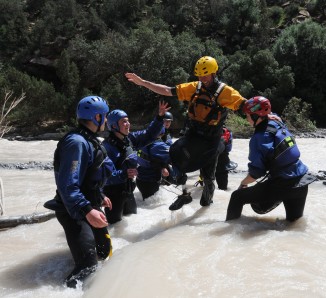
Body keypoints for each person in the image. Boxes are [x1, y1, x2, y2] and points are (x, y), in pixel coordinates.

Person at [125, 56, 246, 210]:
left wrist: (265, 115)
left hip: (211, 139)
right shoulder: (194, 87)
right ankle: (185, 194)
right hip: (194, 133)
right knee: (176, 155)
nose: (203, 78)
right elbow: (167, 90)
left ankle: (206, 203)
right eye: (200, 76)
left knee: (208, 177)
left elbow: (245, 104)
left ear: (214, 73)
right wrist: (142, 83)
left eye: (206, 75)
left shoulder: (225, 92)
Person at [44, 95, 114, 288]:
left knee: (104, 252)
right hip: (74, 211)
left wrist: (99, 195)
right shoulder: (76, 143)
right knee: (88, 265)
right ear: (97, 118)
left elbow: (88, 177)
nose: (107, 120)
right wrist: (87, 210)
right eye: (104, 116)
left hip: (88, 205)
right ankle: (63, 291)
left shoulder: (89, 139)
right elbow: (68, 185)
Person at [225, 96, 315, 221]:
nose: (247, 119)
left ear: (256, 117)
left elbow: (256, 172)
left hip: (282, 185)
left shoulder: (259, 138)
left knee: (237, 197)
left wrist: (243, 183)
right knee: (293, 224)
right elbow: (269, 113)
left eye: (248, 116)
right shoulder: (277, 121)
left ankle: (229, 229)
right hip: (302, 181)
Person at [101, 109, 138, 224]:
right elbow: (104, 176)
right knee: (114, 227)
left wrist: (159, 118)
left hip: (128, 190)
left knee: (133, 222)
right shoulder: (105, 147)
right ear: (114, 126)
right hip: (113, 195)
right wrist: (123, 174)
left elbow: (148, 135)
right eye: (124, 122)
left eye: (128, 121)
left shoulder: (127, 141)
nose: (128, 124)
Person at [195, 126, 237, 190]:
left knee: (205, 177)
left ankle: (202, 185)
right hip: (223, 157)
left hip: (207, 155)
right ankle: (223, 190)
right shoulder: (227, 131)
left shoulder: (203, 128)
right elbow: (228, 148)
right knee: (223, 183)